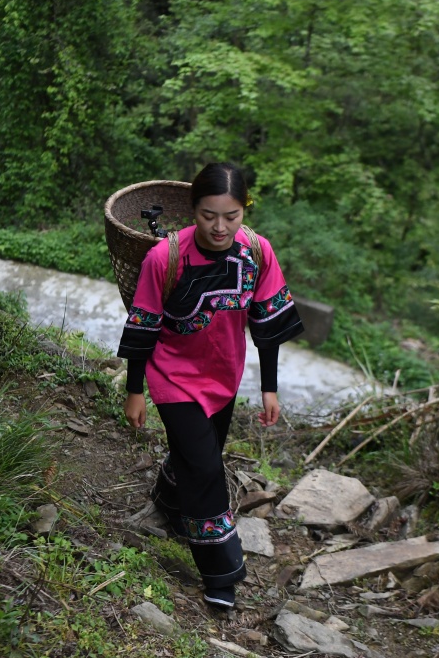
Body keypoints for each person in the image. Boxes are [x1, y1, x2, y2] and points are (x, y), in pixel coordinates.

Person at [117, 162, 304, 609]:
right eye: (208, 215)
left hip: (223, 374)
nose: (219, 227)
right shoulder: (165, 257)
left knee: (201, 455)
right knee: (205, 470)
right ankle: (221, 574)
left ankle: (167, 494)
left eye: (231, 216)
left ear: (244, 210)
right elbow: (143, 326)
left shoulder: (257, 253)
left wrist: (269, 388)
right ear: (192, 210)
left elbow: (269, 323)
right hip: (171, 374)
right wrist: (135, 389)